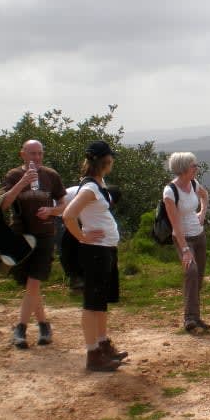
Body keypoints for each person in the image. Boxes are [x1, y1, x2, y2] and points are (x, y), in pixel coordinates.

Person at [62, 141, 127, 372]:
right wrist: (82, 237)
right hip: (96, 252)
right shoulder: (90, 188)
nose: (113, 161)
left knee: (100, 303)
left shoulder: (99, 183)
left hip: (106, 249)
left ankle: (102, 344)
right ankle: (93, 354)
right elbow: (69, 215)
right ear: (105, 161)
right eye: (111, 158)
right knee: (92, 304)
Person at [0, 139, 67, 348]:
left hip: (45, 235)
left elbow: (64, 205)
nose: (36, 158)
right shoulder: (13, 175)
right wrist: (22, 182)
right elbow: (3, 204)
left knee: (34, 282)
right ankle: (44, 324)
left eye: (39, 153)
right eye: (32, 154)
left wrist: (51, 211)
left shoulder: (51, 175)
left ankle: (20, 328)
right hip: (20, 235)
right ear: (23, 155)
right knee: (30, 284)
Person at [163, 152, 210, 333]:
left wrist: (202, 213)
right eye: (193, 166)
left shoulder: (193, 183)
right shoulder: (170, 192)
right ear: (183, 168)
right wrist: (185, 250)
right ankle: (189, 318)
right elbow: (175, 224)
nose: (196, 168)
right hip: (183, 238)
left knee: (198, 277)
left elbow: (205, 196)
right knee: (191, 271)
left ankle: (196, 317)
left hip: (199, 235)